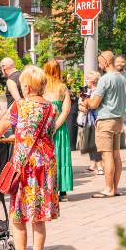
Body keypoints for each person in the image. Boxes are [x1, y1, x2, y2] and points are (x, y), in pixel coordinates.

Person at [0, 65, 57, 250]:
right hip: (44, 167)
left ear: (27, 86)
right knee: (38, 218)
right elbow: (44, 135)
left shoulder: (19, 106)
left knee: (18, 217)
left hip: (24, 168)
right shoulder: (51, 108)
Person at [85, 51, 126, 198]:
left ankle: (109, 188)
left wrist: (86, 101)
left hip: (105, 121)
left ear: (106, 62)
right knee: (116, 155)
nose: (99, 65)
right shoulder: (121, 78)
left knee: (107, 156)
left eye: (100, 62)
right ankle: (115, 188)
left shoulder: (105, 79)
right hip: (118, 120)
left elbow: (94, 104)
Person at [43, 59, 73, 198]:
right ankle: (62, 190)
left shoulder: (41, 88)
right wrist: (55, 127)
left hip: (44, 128)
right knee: (61, 156)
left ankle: (49, 188)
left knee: (46, 158)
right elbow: (66, 111)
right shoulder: (63, 87)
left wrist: (48, 128)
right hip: (59, 129)